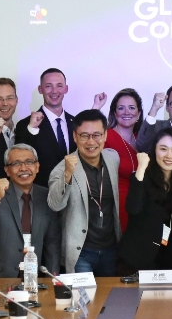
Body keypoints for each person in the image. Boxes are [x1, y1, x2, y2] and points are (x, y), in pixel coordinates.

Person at [47, 109, 122, 276]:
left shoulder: (113, 158)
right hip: (81, 252)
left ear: (105, 136)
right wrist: (67, 175)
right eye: (84, 135)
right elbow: (54, 204)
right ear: (75, 137)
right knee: (83, 300)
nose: (91, 141)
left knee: (109, 299)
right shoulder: (62, 168)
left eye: (96, 135)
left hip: (111, 248)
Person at [0, 143, 61, 277]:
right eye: (16, 164)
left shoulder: (47, 197)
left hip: (30, 278)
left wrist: (53, 278)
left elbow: (52, 242)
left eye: (29, 162)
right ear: (7, 170)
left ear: (37, 167)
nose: (23, 168)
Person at [118, 128, 172, 273]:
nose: (169, 155)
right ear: (154, 151)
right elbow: (133, 208)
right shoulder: (142, 177)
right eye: (163, 149)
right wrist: (141, 167)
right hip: (135, 260)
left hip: (167, 261)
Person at [16, 68, 76, 187]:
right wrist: (32, 128)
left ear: (66, 89)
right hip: (41, 195)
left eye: (59, 86)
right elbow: (19, 159)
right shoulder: (25, 125)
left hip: (73, 194)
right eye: (48, 86)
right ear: (40, 89)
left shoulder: (75, 123)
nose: (54, 91)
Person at [103, 88, 144, 234]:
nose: (127, 112)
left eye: (132, 108)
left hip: (140, 206)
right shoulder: (105, 137)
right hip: (114, 206)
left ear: (138, 114)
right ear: (115, 113)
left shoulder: (142, 139)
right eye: (121, 108)